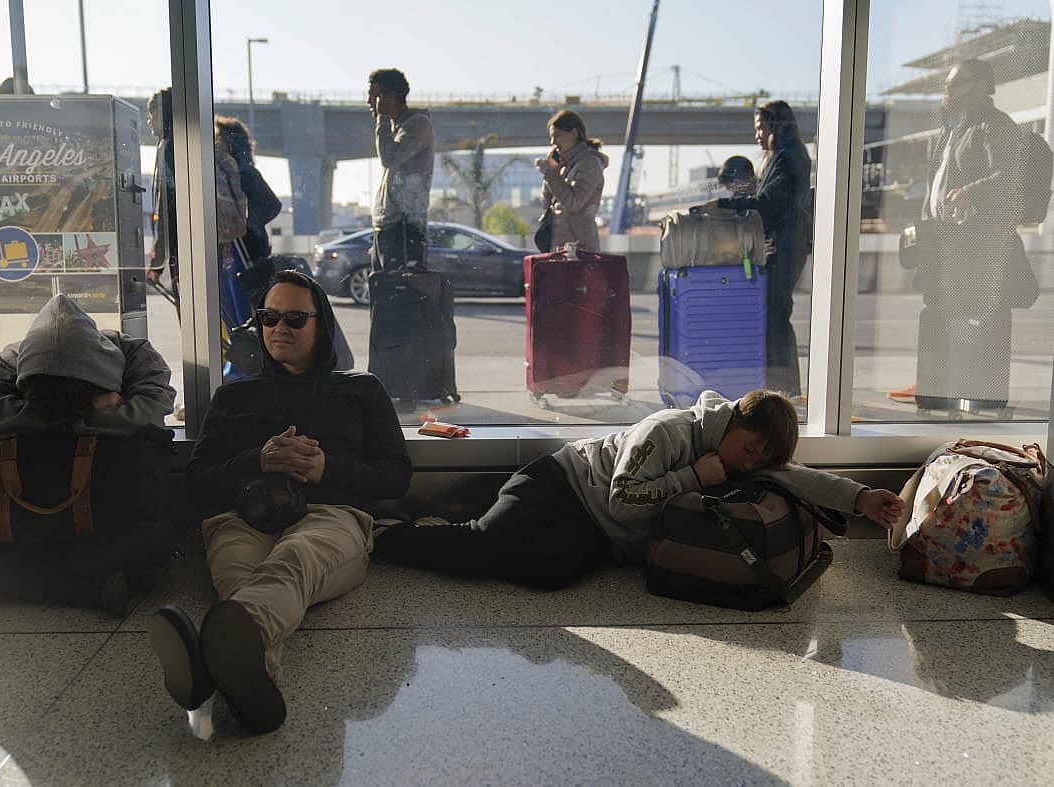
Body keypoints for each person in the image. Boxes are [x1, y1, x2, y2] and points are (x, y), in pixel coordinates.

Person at [149, 270, 411, 735]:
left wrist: (326, 469)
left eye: (294, 318)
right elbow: (197, 485)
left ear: (321, 325)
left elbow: (396, 476)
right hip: (242, 516)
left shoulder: (361, 390)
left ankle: (205, 667)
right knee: (241, 578)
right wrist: (256, 460)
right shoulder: (234, 396)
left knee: (295, 558)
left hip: (331, 516)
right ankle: (251, 684)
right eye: (269, 318)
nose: (279, 328)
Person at [374, 389, 903, 591]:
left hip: (601, 533)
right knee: (481, 549)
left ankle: (477, 522)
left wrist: (860, 498)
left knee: (548, 575)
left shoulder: (743, 459)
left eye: (760, 460)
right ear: (734, 421)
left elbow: (793, 476)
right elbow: (622, 500)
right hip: (562, 482)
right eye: (749, 450)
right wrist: (694, 479)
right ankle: (384, 535)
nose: (750, 464)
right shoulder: (668, 431)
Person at [0, 294, 177, 616]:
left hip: (82, 512)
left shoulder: (137, 356)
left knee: (159, 537)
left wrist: (35, 417)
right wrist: (84, 412)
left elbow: (149, 412)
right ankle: (72, 588)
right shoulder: (13, 359)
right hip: (25, 519)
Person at [886, 58, 1038, 408]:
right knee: (937, 315)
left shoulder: (995, 126)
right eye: (947, 84)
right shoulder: (953, 128)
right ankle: (936, 397)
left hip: (977, 246)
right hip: (945, 242)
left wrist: (972, 192)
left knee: (982, 322)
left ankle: (980, 402)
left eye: (955, 83)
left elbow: (1012, 176)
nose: (947, 90)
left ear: (982, 86)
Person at [717, 100, 814, 399]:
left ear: (776, 126)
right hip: (784, 243)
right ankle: (782, 388)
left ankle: (784, 390)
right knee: (775, 316)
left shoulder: (787, 159)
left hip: (785, 245)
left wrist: (723, 205)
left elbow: (769, 204)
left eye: (761, 127)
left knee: (776, 318)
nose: (757, 134)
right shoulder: (782, 157)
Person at [367, 68, 435, 271]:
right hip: (387, 225)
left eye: (373, 96)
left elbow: (390, 158)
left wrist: (382, 118)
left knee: (399, 287)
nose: (369, 102)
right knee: (381, 286)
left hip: (404, 227)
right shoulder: (394, 128)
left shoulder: (418, 125)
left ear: (388, 97)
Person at [215, 115, 283, 271]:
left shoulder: (243, 173)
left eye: (218, 138)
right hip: (249, 243)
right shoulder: (235, 171)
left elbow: (273, 205)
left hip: (247, 246)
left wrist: (250, 224)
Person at [536, 109, 609, 251]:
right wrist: (552, 171)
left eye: (557, 136)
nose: (553, 142)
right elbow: (546, 203)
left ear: (574, 133)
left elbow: (574, 203)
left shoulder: (590, 163)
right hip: (558, 246)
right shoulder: (564, 165)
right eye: (551, 137)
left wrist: (550, 174)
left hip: (580, 248)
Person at [146, 88, 178, 307]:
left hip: (182, 252)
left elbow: (167, 209)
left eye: (152, 114)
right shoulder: (187, 144)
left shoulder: (169, 149)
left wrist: (157, 264)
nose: (149, 121)